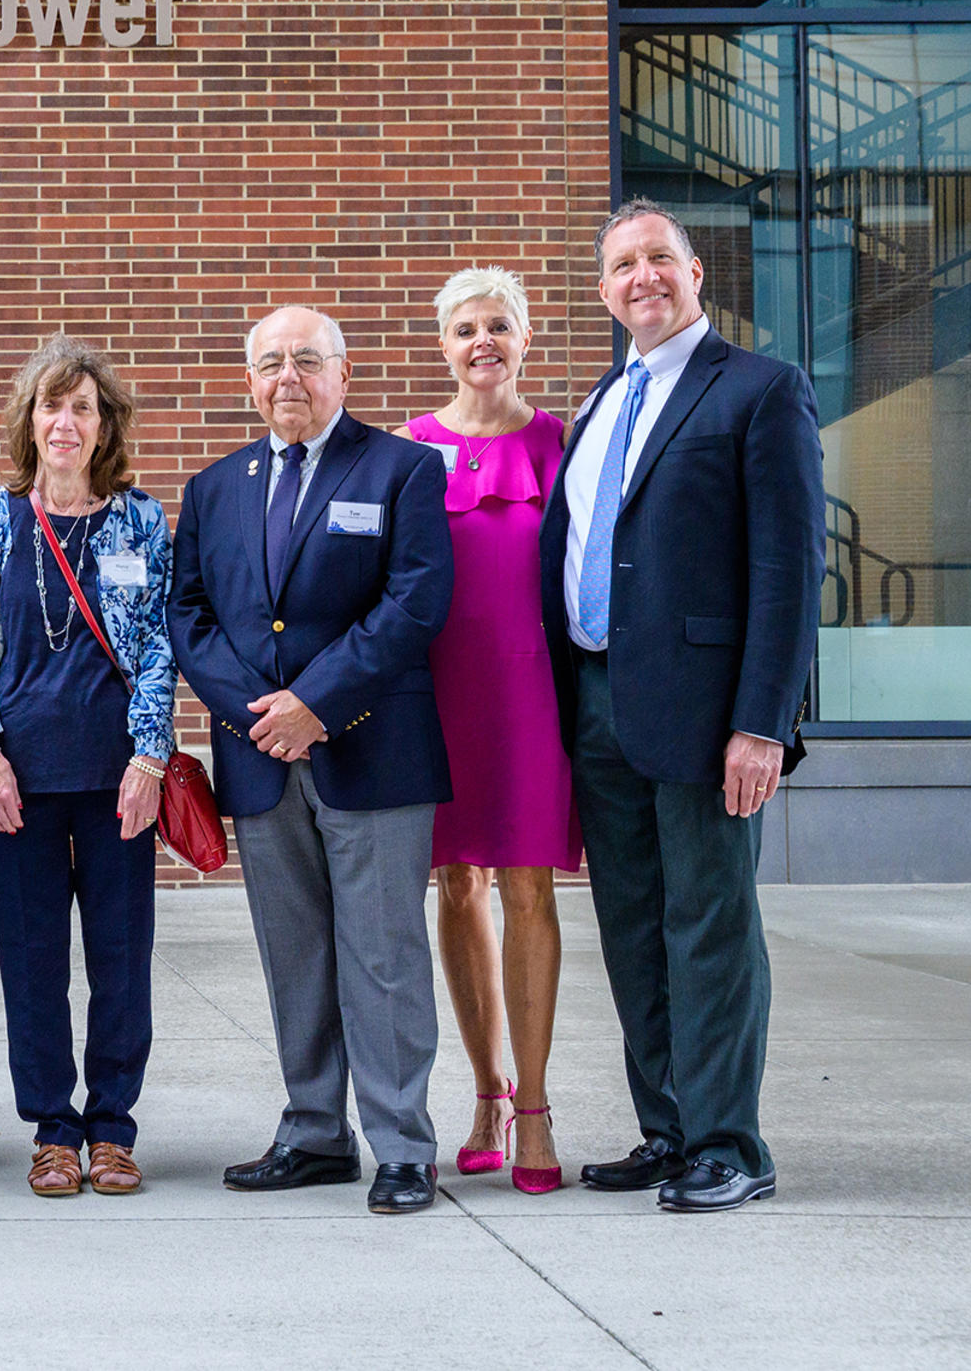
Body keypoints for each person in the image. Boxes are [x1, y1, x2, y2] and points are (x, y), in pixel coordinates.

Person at [540, 198, 825, 1213]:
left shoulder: (760, 388)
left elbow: (790, 569)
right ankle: (668, 1129)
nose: (643, 278)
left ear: (695, 272)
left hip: (709, 716)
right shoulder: (599, 404)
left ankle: (729, 1144)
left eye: (659, 257)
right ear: (604, 290)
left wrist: (763, 721)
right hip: (598, 700)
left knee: (709, 923)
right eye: (623, 265)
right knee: (633, 924)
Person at [169, 306, 455, 1215]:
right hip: (260, 758)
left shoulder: (403, 468)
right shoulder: (214, 487)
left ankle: (403, 1146)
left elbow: (416, 600)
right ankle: (316, 1132)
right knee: (295, 957)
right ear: (249, 381)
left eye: (305, 359)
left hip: (372, 752)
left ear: (343, 372)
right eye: (270, 363)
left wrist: (315, 704)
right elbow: (188, 615)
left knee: (384, 956)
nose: (286, 377)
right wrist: (261, 715)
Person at [0, 336, 174, 1198]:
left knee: (121, 956)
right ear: (30, 418)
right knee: (32, 957)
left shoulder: (139, 520)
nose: (67, 421)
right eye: (53, 404)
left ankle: (112, 1128)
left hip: (118, 778)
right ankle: (52, 1129)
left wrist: (150, 755)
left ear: (104, 424)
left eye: (84, 406)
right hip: (19, 782)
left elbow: (157, 647)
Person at [402, 268, 580, 1196]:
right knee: (456, 879)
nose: (483, 341)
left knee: (527, 883)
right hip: (438, 694)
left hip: (533, 694)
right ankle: (486, 1094)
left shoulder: (560, 441)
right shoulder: (408, 450)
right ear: (443, 343)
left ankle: (536, 1108)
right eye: (466, 327)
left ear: (524, 339)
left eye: (499, 325)